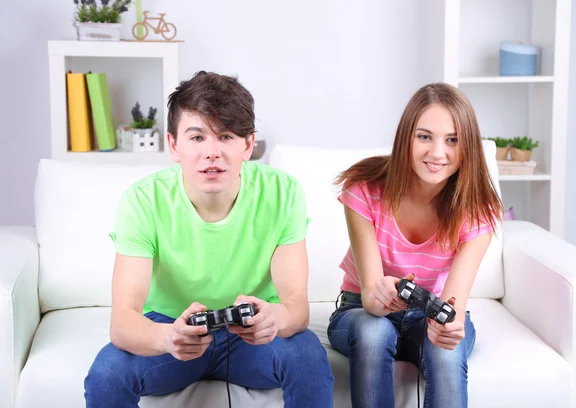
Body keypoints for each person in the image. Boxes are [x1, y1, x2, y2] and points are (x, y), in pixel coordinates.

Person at [84, 71, 334, 408]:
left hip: (250, 330)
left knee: (308, 360)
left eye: (226, 136)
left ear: (248, 145)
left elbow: (296, 307)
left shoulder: (283, 193)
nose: (212, 152)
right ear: (174, 145)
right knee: (106, 375)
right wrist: (168, 337)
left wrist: (276, 318)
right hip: (170, 327)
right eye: (197, 137)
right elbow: (123, 323)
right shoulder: (142, 201)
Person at [327, 83, 503, 408]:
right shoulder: (364, 190)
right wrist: (381, 295)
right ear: (406, 137)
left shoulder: (478, 212)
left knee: (444, 349)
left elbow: (452, 308)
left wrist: (448, 328)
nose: (437, 153)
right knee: (373, 332)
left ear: (468, 148)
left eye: (452, 140)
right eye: (424, 136)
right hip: (361, 311)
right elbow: (371, 300)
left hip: (428, 315)